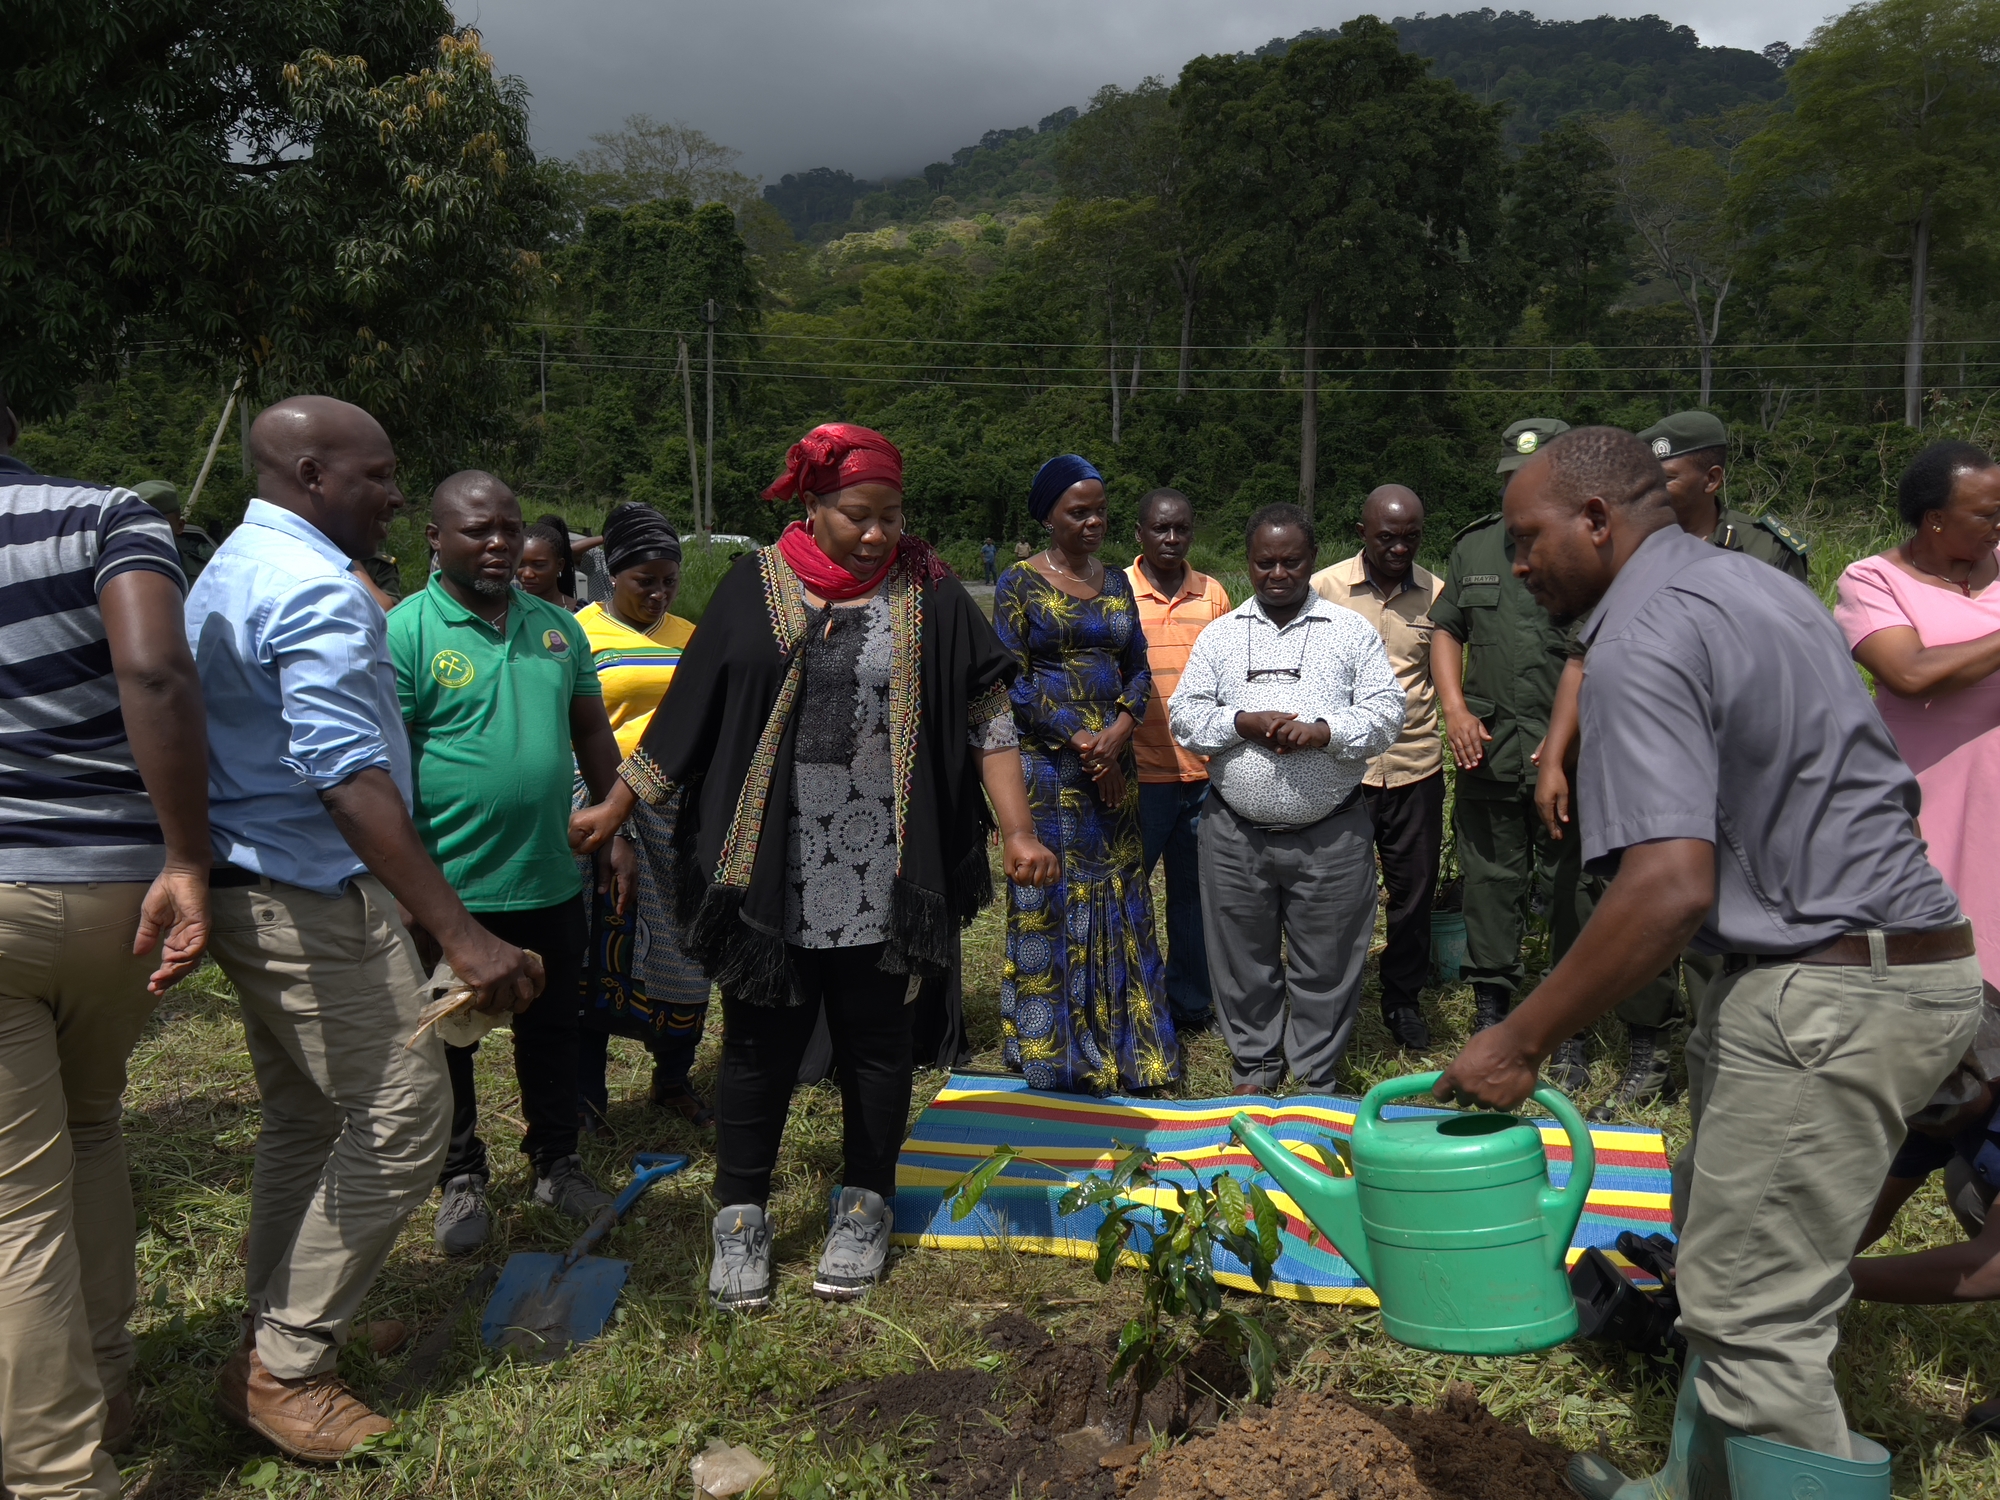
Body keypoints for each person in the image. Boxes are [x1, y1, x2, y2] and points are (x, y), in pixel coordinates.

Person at [1434, 426, 1981, 1498]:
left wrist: (1519, 1036)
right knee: (1735, 1259)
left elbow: (1665, 888)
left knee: (1750, 1313)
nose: (1514, 564)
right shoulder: (1758, 587)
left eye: (1526, 537)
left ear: (1596, 520)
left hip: (1824, 988)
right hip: (1889, 960)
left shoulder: (1640, 638)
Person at [570, 423, 1057, 1311]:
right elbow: (690, 710)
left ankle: (865, 1204)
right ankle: (741, 1216)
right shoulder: (751, 588)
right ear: (812, 505)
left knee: (880, 1044)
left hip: (887, 864)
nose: (876, 535)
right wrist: (617, 803)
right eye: (856, 516)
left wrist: (1016, 828)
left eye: (890, 516)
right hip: (771, 866)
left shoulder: (932, 590)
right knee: (758, 1044)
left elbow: (989, 713)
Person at [187, 396, 543, 1461]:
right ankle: (289, 1364)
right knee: (401, 1124)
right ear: (309, 474)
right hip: (306, 892)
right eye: (376, 476)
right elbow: (344, 775)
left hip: (253, 881)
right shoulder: (314, 591)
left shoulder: (232, 567)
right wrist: (460, 933)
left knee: (305, 1115)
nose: (395, 494)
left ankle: (284, 1319)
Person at [0, 389, 211, 1500]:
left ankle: (53, 1477)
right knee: (91, 1127)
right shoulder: (104, 517)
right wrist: (189, 855)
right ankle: (111, 1384)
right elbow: (155, 673)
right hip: (114, 893)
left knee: (12, 1203)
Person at [1537, 410, 1815, 1114]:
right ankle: (1651, 1049)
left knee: (1716, 911)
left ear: (1712, 477)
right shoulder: (1624, 556)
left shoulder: (1758, 550)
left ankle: (1729, 1055)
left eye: (1669, 475)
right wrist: (1555, 757)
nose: (1654, 488)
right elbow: (1583, 658)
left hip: (1736, 772)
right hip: (1647, 761)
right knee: (1639, 898)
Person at [390, 471, 636, 1256]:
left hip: (551, 873)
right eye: (475, 530)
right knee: (449, 1040)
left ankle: (556, 1163)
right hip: (449, 887)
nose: (497, 542)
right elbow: (384, 767)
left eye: (508, 527)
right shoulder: (405, 632)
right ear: (435, 538)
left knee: (553, 1029)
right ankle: (460, 1176)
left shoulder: (557, 626)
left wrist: (615, 828)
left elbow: (593, 732)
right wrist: (401, 885)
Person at [1171, 504, 1403, 1092]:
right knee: (1242, 962)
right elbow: (1185, 717)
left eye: (1291, 561)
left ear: (1311, 560)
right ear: (1248, 563)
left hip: (1330, 832)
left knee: (1325, 964)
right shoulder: (1221, 635)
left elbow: (1385, 714)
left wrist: (1323, 731)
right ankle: (1254, 1066)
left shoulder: (1350, 632)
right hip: (1235, 834)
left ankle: (1314, 1076)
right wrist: (1242, 722)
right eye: (1264, 562)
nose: (1278, 573)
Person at [996, 454, 1180, 1095]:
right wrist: (1080, 740)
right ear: (1049, 516)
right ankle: (1056, 1051)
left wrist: (1120, 732)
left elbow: (1137, 666)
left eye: (1100, 510)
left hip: (1113, 766)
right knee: (1055, 897)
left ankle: (1133, 1051)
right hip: (1049, 772)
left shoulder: (1116, 582)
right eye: (1079, 511)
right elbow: (1011, 681)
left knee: (1121, 894)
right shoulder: (1018, 583)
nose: (1094, 521)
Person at [1835, 441, 2000, 1000]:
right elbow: (1910, 674)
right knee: (1943, 951)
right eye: (1986, 514)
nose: (1998, 524)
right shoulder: (1872, 581)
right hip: (1931, 791)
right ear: (1935, 520)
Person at [1430, 419, 1573, 1047]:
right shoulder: (1476, 547)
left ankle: (1570, 1009)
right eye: (1512, 479)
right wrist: (1455, 709)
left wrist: (1569, 742)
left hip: (1570, 751)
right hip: (1489, 743)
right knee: (1489, 877)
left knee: (1575, 880)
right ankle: (1493, 1002)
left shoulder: (1595, 548)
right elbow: (1446, 629)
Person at [571, 502, 713, 1128]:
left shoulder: (690, 636)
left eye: (669, 581)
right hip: (609, 809)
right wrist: (611, 817)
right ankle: (587, 1094)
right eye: (644, 581)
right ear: (614, 575)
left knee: (686, 951)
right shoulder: (578, 634)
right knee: (603, 944)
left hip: (682, 814)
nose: (658, 593)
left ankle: (673, 1077)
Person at [1313, 484, 1446, 1052]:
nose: (1399, 548)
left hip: (1416, 764)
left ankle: (1402, 998)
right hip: (1345, 767)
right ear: (1363, 533)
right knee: (1339, 892)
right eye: (1387, 537)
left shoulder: (1439, 596)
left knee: (1414, 891)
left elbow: (1445, 677)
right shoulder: (1324, 589)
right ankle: (1332, 997)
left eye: (1410, 537)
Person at [1849, 1004, 2000, 1434]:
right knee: (1970, 1183)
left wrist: (1825, 1278)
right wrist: (1799, 1256)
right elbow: (1874, 1211)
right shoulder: (1940, 1106)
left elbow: (1993, 1267)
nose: (1930, 1118)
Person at [1126, 488, 1232, 1035]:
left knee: (1193, 896)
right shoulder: (1117, 589)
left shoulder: (1212, 594)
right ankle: (1127, 993)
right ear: (1140, 533)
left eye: (1182, 529)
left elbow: (1231, 671)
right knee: (1127, 889)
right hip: (1138, 774)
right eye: (1160, 529)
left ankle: (1191, 1002)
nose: (1172, 539)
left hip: (1201, 774)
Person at [132, 478, 217, 582]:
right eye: (138, 523)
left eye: (158, 524)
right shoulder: (110, 571)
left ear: (180, 526)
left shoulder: (206, 576)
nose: (147, 531)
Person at [517, 521, 580, 611]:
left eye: (539, 565)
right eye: (520, 564)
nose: (527, 574)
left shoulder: (582, 613)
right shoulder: (508, 610)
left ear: (559, 565)